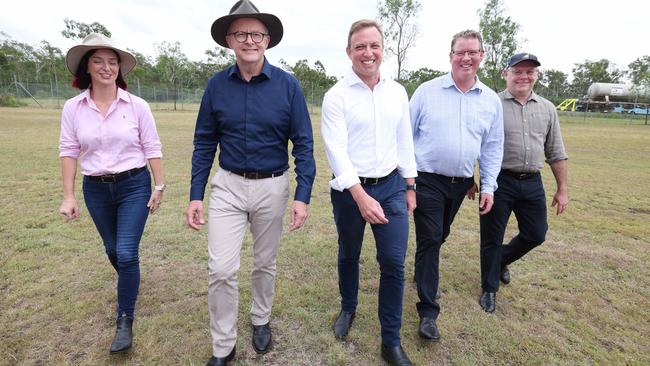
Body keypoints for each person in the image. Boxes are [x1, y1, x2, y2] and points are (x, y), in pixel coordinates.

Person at [185, 1, 315, 365]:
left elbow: (303, 143)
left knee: (264, 262)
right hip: (227, 185)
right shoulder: (216, 86)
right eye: (240, 33)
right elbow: (204, 142)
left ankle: (260, 318)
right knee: (221, 269)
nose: (249, 40)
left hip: (272, 186)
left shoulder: (288, 86)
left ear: (267, 39)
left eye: (256, 33)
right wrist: (196, 195)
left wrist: (302, 195)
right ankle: (223, 345)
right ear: (229, 39)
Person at [58, 33, 165, 354]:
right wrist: (68, 195)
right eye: (98, 61)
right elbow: (68, 149)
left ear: (120, 68)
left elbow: (152, 146)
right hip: (96, 188)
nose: (107, 67)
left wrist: (159, 185)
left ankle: (124, 320)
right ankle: (129, 281)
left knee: (127, 252)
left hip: (134, 184)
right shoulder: (73, 108)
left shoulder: (137, 106)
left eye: (113, 61)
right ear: (86, 67)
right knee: (113, 251)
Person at [321, 19, 417, 366]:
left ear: (382, 50)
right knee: (349, 252)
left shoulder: (397, 91)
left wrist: (409, 185)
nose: (368, 52)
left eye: (374, 45)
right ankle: (348, 307)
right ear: (349, 52)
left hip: (391, 186)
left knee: (393, 262)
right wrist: (361, 198)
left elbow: (404, 140)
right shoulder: (336, 96)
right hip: (349, 191)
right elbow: (336, 151)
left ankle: (390, 341)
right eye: (360, 46)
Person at [409, 30, 503, 341]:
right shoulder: (426, 91)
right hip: (427, 179)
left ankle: (422, 267)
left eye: (473, 52)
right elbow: (405, 136)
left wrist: (487, 186)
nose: (466, 57)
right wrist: (407, 180)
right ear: (450, 56)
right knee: (431, 237)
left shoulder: (490, 100)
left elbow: (492, 147)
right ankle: (428, 312)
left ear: (481, 56)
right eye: (460, 52)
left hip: (461, 184)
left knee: (439, 235)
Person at [478, 53, 568, 313]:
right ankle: (489, 288)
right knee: (491, 238)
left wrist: (562, 188)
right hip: (498, 181)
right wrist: (475, 181)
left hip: (532, 181)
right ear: (506, 73)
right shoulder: (491, 103)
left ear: (536, 76)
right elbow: (478, 145)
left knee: (536, 233)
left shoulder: (547, 108)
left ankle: (500, 261)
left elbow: (556, 151)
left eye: (530, 72)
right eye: (518, 71)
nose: (524, 76)